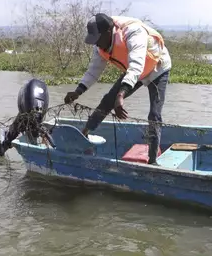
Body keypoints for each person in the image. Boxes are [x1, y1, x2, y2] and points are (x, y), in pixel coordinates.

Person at [64, 13, 171, 165]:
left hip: (157, 68)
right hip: (135, 72)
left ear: (108, 32)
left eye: (98, 39)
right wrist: (78, 91)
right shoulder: (100, 46)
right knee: (107, 101)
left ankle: (152, 162)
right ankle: (84, 134)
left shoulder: (133, 33)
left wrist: (121, 95)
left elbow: (136, 66)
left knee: (154, 114)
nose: (97, 44)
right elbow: (93, 71)